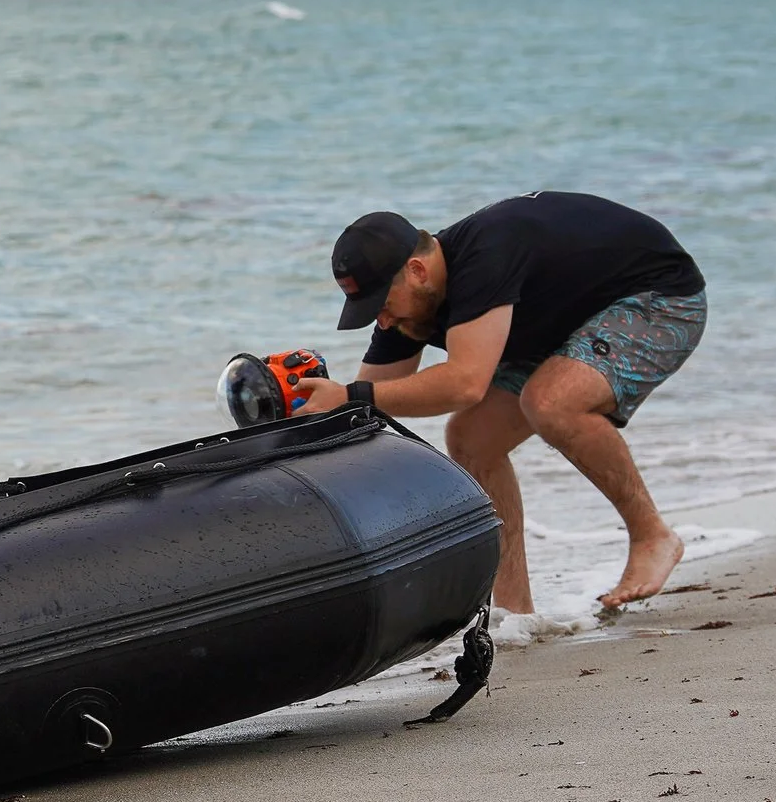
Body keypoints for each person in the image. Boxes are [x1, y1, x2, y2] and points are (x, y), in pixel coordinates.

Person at [292, 192, 708, 614]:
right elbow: (366, 407)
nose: (381, 321)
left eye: (380, 305)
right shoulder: (409, 305)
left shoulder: (486, 254)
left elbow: (466, 384)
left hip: (660, 299)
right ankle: (515, 611)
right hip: (564, 327)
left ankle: (652, 535)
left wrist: (350, 395)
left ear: (417, 270)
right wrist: (300, 418)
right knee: (472, 438)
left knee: (551, 402)